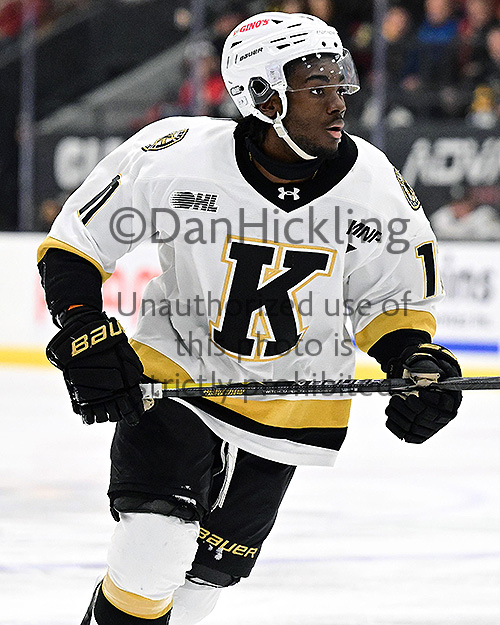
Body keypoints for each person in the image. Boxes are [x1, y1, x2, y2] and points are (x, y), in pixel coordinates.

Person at [37, 11, 463, 625]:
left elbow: (392, 301)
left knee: (201, 586)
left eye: (339, 81)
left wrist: (413, 359)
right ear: (263, 96)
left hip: (287, 402)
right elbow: (76, 243)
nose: (338, 101)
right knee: (151, 550)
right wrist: (82, 324)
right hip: (177, 373)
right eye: (316, 86)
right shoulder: (176, 155)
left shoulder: (374, 187)